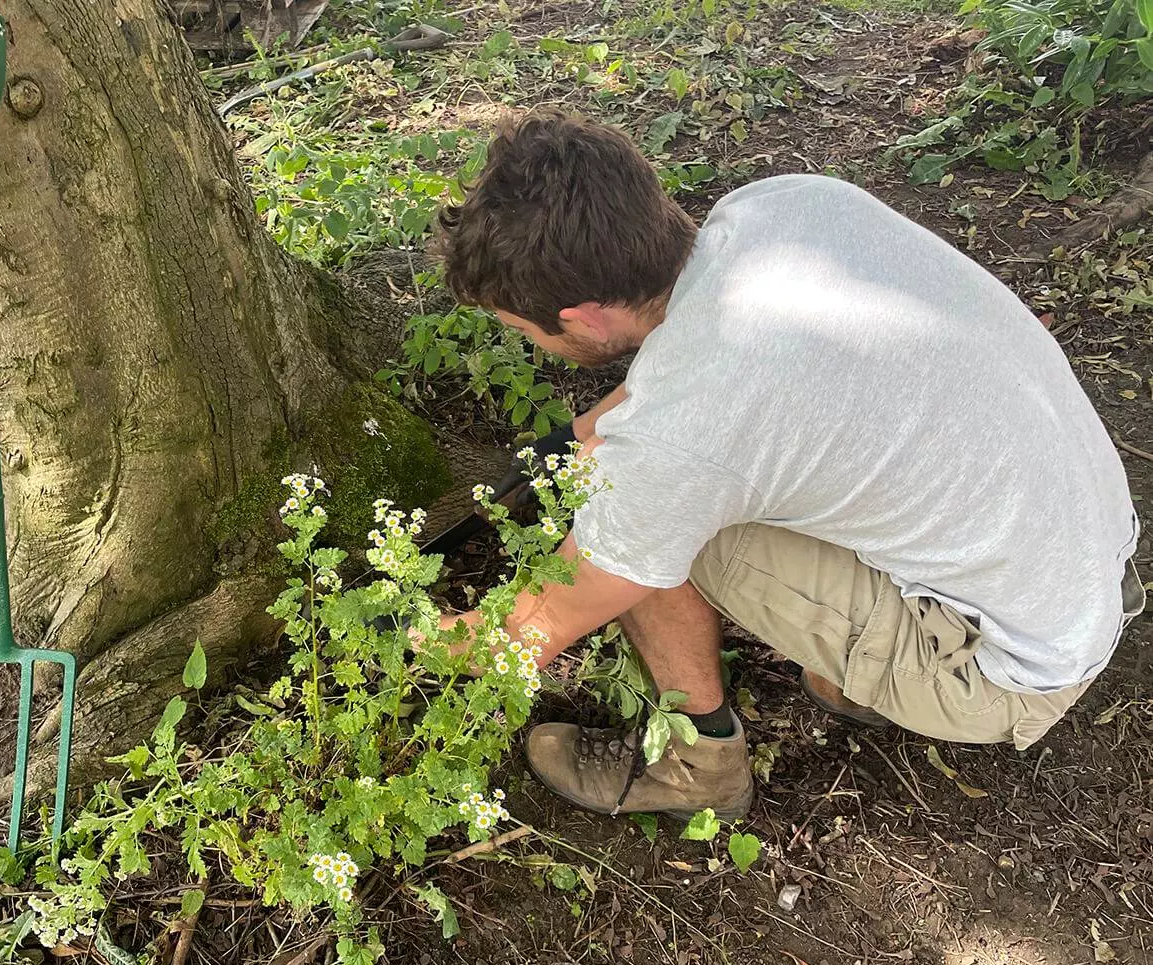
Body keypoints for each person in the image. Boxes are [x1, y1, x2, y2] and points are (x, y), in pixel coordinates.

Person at [430, 109, 1143, 822]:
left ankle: (698, 766)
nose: (525, 342)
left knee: (626, 509)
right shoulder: (782, 205)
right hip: (1088, 558)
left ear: (583, 317)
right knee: (641, 469)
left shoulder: (680, 438)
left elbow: (535, 628)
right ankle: (856, 667)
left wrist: (423, 638)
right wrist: (581, 429)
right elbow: (687, 377)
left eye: (523, 330)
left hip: (1002, 667)